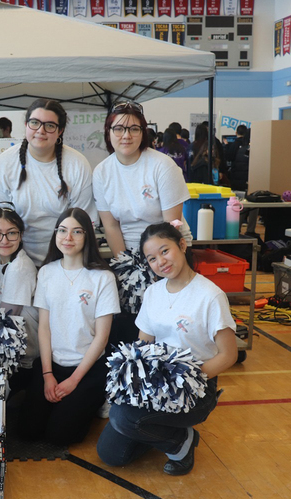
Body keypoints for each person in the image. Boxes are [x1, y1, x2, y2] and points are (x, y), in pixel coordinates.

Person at [97, 222, 237, 475]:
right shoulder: (153, 292)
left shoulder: (210, 295)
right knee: (111, 454)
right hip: (156, 384)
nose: (160, 261)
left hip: (196, 388)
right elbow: (143, 345)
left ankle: (180, 444)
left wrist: (183, 381)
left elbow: (229, 355)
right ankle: (170, 431)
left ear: (181, 245)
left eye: (165, 251)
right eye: (152, 258)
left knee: (122, 417)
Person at [93, 100, 192, 344]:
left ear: (143, 132)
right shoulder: (102, 172)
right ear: (109, 133)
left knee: (167, 321)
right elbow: (111, 225)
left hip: (167, 249)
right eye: (119, 129)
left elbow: (172, 225)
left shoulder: (162, 165)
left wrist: (155, 265)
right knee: (130, 325)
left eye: (134, 129)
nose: (126, 135)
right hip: (127, 254)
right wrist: (128, 269)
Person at [18, 207, 119, 445]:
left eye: (77, 232)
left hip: (87, 367)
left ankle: (98, 400)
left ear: (87, 237)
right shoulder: (46, 272)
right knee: (27, 432)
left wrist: (74, 380)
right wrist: (47, 374)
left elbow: (102, 338)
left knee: (60, 436)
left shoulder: (103, 277)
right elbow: (44, 327)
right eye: (62, 230)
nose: (68, 238)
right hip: (52, 365)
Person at [0, 98, 96, 266]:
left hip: (66, 257)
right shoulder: (6, 162)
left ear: (60, 130)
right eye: (34, 123)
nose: (41, 130)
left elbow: (84, 221)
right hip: (16, 257)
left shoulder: (77, 164)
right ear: (26, 124)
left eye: (50, 125)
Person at [0, 205, 39, 393]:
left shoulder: (19, 267)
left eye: (11, 233)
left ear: (21, 235)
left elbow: (4, 319)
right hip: (0, 341)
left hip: (22, 354)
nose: (4, 240)